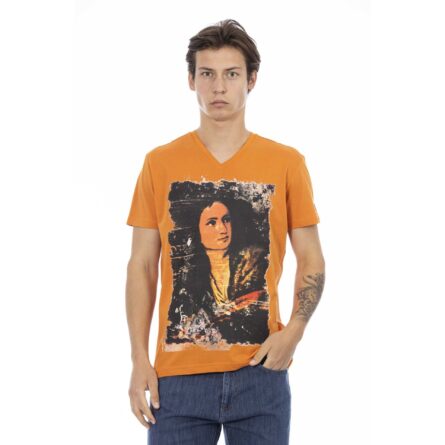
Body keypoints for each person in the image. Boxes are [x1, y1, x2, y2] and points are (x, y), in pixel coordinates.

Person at [125, 18, 325, 445]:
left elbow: (311, 257)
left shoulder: (286, 163)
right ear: (191, 80)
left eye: (231, 74)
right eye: (207, 74)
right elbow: (141, 265)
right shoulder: (159, 163)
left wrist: (294, 333)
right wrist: (139, 358)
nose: (218, 87)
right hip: (176, 380)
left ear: (251, 80)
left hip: (261, 372)